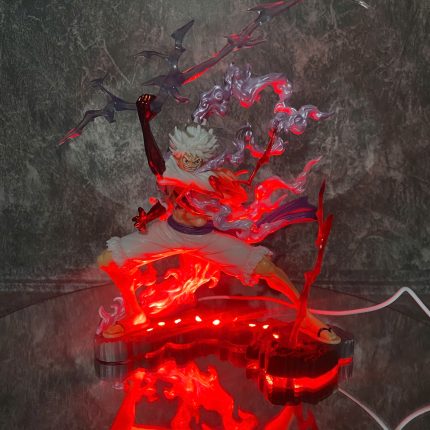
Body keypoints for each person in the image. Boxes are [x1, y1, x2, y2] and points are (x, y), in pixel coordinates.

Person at [97, 94, 340, 344]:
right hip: (170, 232)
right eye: (186, 157)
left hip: (205, 238)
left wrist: (227, 186)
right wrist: (143, 118)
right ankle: (135, 313)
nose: (190, 162)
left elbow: (237, 198)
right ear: (178, 153)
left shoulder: (212, 177)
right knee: (107, 260)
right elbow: (160, 175)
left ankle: (306, 317)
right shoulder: (170, 170)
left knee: (268, 269)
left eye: (196, 159)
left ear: (204, 157)